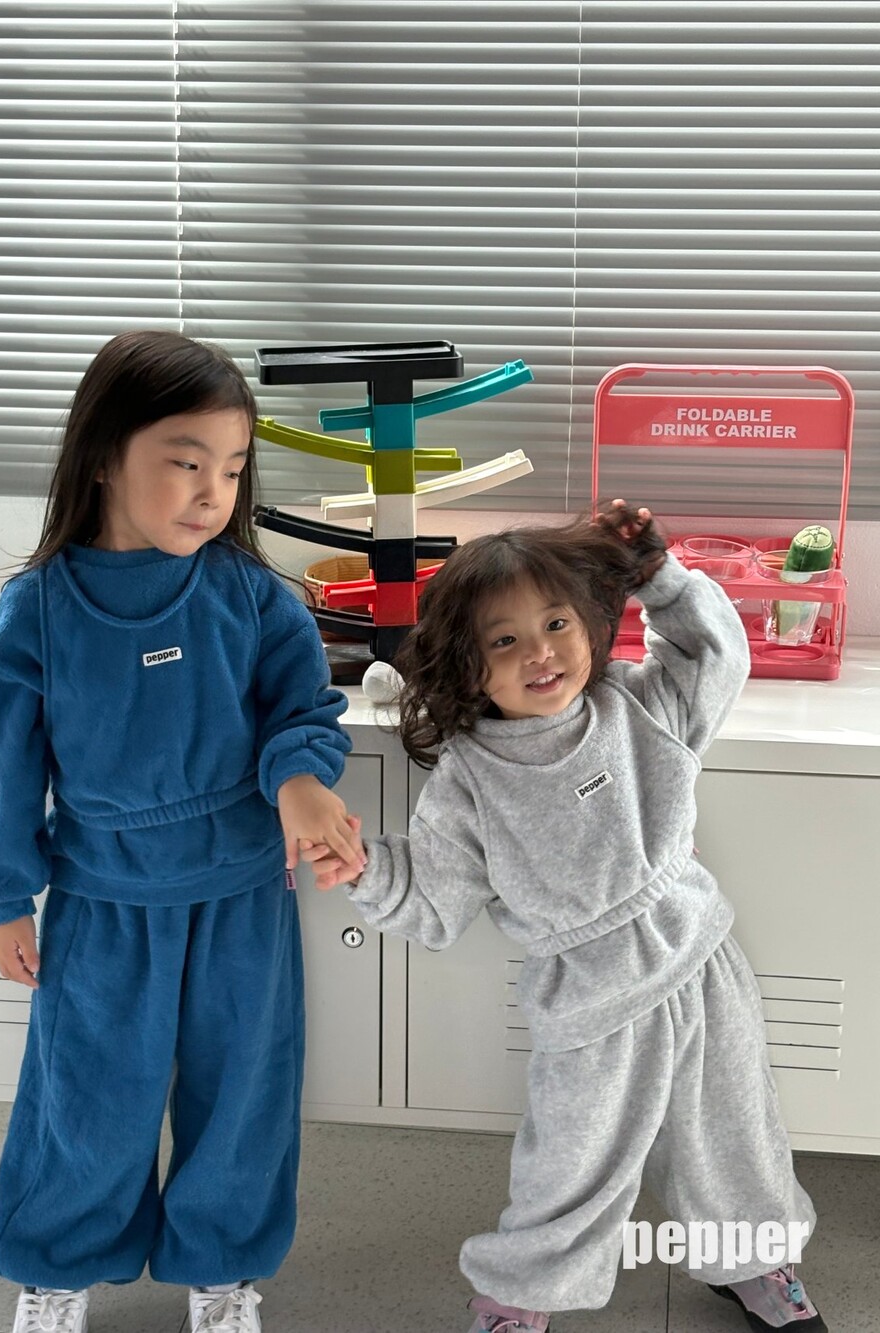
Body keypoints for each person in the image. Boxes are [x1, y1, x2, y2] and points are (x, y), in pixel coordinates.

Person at [302, 503, 826, 1333]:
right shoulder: (471, 775)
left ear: (589, 624)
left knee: (733, 1131)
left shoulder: (639, 706)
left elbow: (714, 655)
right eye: (504, 639)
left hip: (698, 962)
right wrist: (365, 867)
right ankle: (519, 1298)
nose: (540, 652)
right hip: (588, 1001)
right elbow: (434, 897)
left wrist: (661, 579)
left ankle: (755, 1262)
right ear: (469, 664)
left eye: (555, 624)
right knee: (570, 1165)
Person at [0, 330, 366, 1333]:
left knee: (242, 1098)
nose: (212, 492)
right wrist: (5, 895)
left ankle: (222, 1271)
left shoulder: (251, 595)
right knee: (86, 1099)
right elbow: (4, 765)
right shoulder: (38, 609)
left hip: (241, 895)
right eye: (186, 463)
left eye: (231, 469)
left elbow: (302, 712)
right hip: (102, 902)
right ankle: (56, 1269)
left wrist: (301, 784)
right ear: (106, 455)